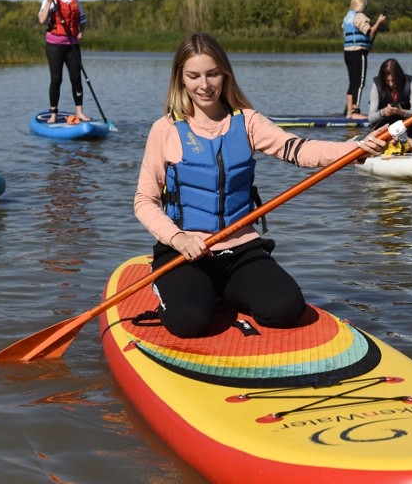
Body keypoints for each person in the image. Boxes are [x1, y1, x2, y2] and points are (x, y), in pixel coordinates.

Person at [133, 33, 386, 338]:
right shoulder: (165, 129)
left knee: (286, 309)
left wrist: (355, 149)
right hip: (184, 251)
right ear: (181, 79)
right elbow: (144, 200)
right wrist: (178, 239)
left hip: (239, 249)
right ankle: (180, 289)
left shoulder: (248, 121)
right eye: (194, 76)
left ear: (225, 74)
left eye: (213, 74)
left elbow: (298, 149)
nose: (204, 85)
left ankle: (220, 292)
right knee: (189, 322)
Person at [37, 0, 90, 124]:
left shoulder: (75, 1)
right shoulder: (50, 1)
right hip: (54, 45)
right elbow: (42, 20)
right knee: (56, 79)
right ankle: (53, 113)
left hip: (72, 45)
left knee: (76, 78)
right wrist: (48, 1)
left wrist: (81, 32)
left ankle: (79, 112)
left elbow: (83, 20)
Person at [342, 0, 385, 119]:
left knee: (352, 83)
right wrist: (379, 22)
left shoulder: (347, 17)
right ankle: (355, 112)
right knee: (360, 83)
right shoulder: (360, 16)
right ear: (361, 5)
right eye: (364, 6)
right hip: (358, 53)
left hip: (348, 52)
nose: (365, 9)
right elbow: (370, 32)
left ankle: (348, 111)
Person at [367, 58, 412, 150]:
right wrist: (383, 112)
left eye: (394, 80)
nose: (391, 84)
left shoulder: (410, 82)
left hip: (404, 120)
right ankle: (385, 140)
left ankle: (410, 138)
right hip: (383, 123)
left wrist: (401, 112)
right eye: (387, 81)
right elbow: (371, 118)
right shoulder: (376, 84)